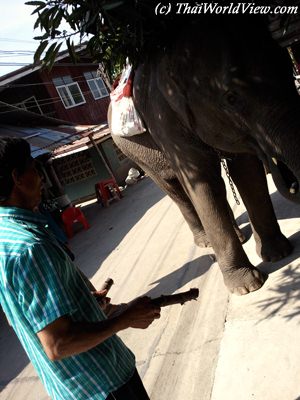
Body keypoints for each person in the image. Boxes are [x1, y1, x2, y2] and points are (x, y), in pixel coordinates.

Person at [0, 137, 161, 400]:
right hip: (103, 386)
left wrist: (81, 303)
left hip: (73, 390)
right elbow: (58, 344)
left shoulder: (5, 237)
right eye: (34, 170)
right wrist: (125, 319)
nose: (42, 179)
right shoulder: (29, 247)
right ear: (18, 177)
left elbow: (25, 312)